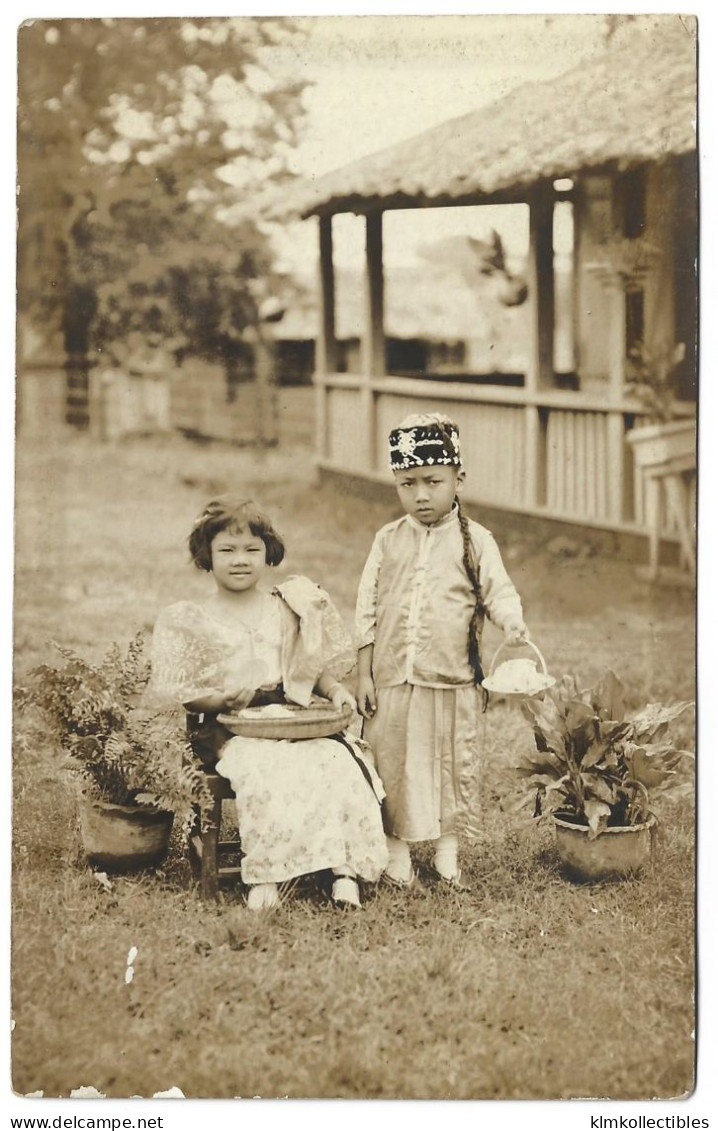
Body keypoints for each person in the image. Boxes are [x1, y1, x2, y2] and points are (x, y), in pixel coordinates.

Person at [150, 496, 388, 911]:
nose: (239, 560)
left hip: (291, 717)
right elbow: (189, 696)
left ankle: (342, 871)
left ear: (268, 553)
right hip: (228, 726)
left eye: (251, 550)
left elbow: (309, 668)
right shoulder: (196, 618)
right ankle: (267, 873)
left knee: (335, 763)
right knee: (266, 770)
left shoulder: (285, 606)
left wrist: (334, 691)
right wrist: (220, 696)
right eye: (226, 550)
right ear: (206, 556)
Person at [355, 413, 529, 888]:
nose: (421, 495)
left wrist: (511, 621)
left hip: (451, 678)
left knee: (448, 766)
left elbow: (499, 592)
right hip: (394, 680)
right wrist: (364, 673)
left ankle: (447, 853)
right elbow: (366, 609)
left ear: (458, 479)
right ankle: (396, 853)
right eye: (407, 483)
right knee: (392, 763)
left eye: (433, 481)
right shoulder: (387, 540)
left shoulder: (477, 542)